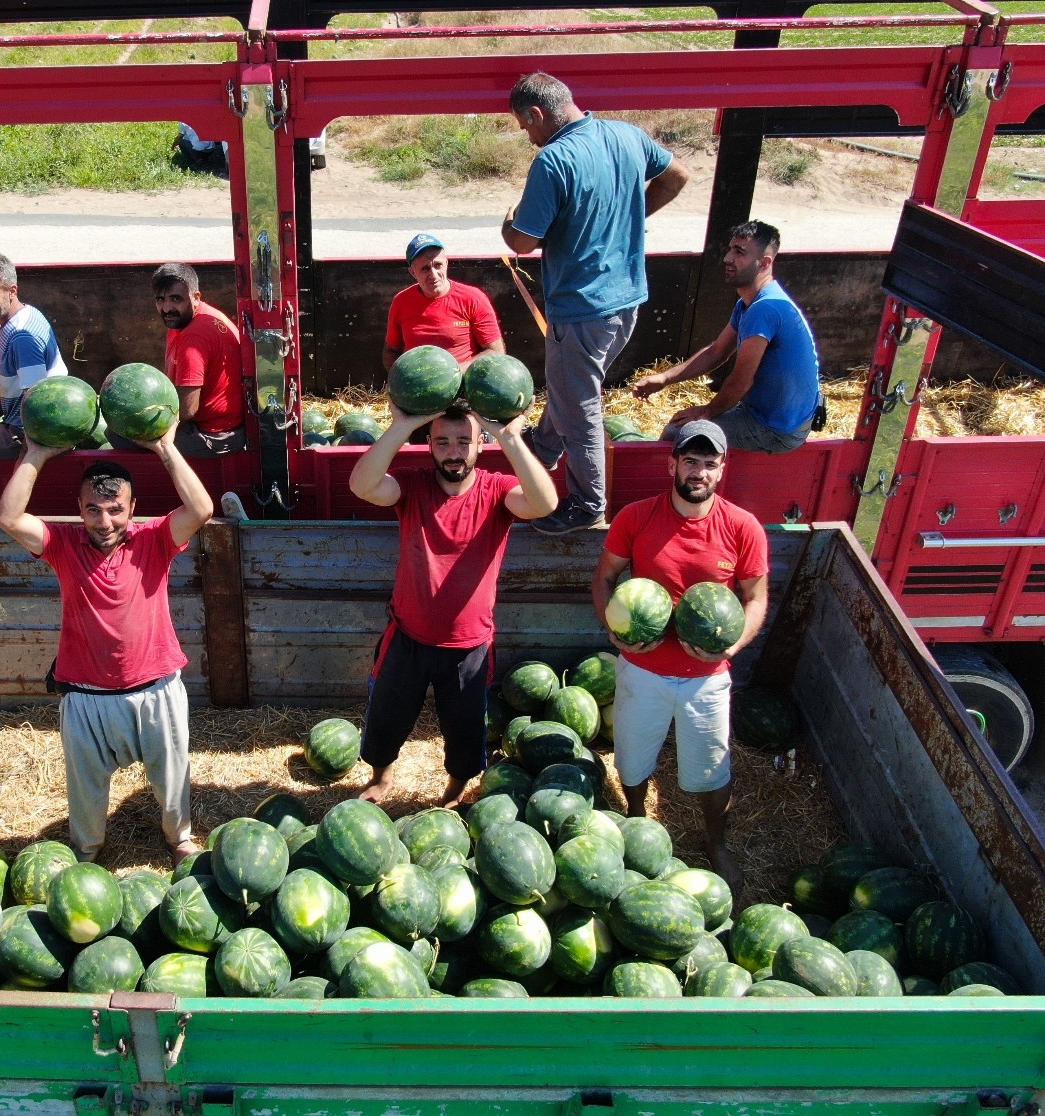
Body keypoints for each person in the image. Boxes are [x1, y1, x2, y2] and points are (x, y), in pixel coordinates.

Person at [0, 426, 213, 866]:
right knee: (86, 785)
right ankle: (87, 849)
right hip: (86, 696)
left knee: (172, 776)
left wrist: (165, 447)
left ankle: (179, 838)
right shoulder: (62, 544)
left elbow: (201, 509)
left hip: (155, 689)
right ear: (79, 508)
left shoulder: (154, 539)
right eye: (93, 510)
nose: (104, 522)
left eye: (115, 510)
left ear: (132, 508)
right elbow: (9, 518)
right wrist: (36, 453)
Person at [501, 71, 690, 536]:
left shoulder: (553, 160)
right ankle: (545, 446)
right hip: (627, 300)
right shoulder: (627, 134)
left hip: (581, 307)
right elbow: (677, 177)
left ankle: (588, 503)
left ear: (537, 114)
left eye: (525, 127)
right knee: (569, 383)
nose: (528, 137)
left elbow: (523, 242)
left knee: (581, 402)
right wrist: (630, 216)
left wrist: (507, 223)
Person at [348, 402, 558, 808]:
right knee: (386, 718)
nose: (454, 452)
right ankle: (381, 776)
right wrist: (401, 425)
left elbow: (544, 504)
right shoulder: (413, 485)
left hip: (469, 646)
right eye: (442, 442)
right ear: (428, 444)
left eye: (464, 441)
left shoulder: (497, 490)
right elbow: (363, 485)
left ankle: (456, 790)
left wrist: (510, 438)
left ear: (480, 444)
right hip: (407, 636)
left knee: (464, 731)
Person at [590, 420, 769, 891]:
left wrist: (734, 644)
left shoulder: (743, 527)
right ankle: (636, 818)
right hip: (642, 669)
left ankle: (716, 842)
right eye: (691, 461)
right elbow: (605, 578)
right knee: (631, 760)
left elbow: (756, 598)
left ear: (722, 470)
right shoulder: (636, 517)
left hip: (707, 675)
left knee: (712, 768)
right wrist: (615, 632)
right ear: (672, 464)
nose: (699, 472)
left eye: (709, 463)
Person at [632, 221, 822, 453]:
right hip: (768, 415)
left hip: (776, 429)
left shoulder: (765, 309)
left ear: (764, 263)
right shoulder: (749, 304)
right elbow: (717, 351)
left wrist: (706, 413)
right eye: (730, 249)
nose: (727, 258)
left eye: (739, 252)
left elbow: (740, 382)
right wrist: (664, 378)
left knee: (678, 433)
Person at [0, 250, 68, 460]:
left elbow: (35, 404)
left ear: (12, 291)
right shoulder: (27, 313)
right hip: (27, 422)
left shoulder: (21, 337)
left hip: (32, 433)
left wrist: (27, 460)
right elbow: (18, 390)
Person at [151, 262, 249, 457]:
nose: (167, 308)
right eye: (160, 299)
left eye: (176, 299)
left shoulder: (194, 337)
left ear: (196, 298)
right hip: (226, 428)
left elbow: (187, 411)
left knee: (119, 434)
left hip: (213, 436)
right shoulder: (198, 316)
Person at [382, 233, 506, 372]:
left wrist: (454, 372)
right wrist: (402, 376)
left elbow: (496, 351)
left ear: (446, 263)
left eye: (438, 265)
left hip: (464, 380)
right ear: (412, 272)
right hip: (417, 382)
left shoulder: (474, 298)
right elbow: (391, 352)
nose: (433, 274)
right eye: (425, 268)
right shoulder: (401, 302)